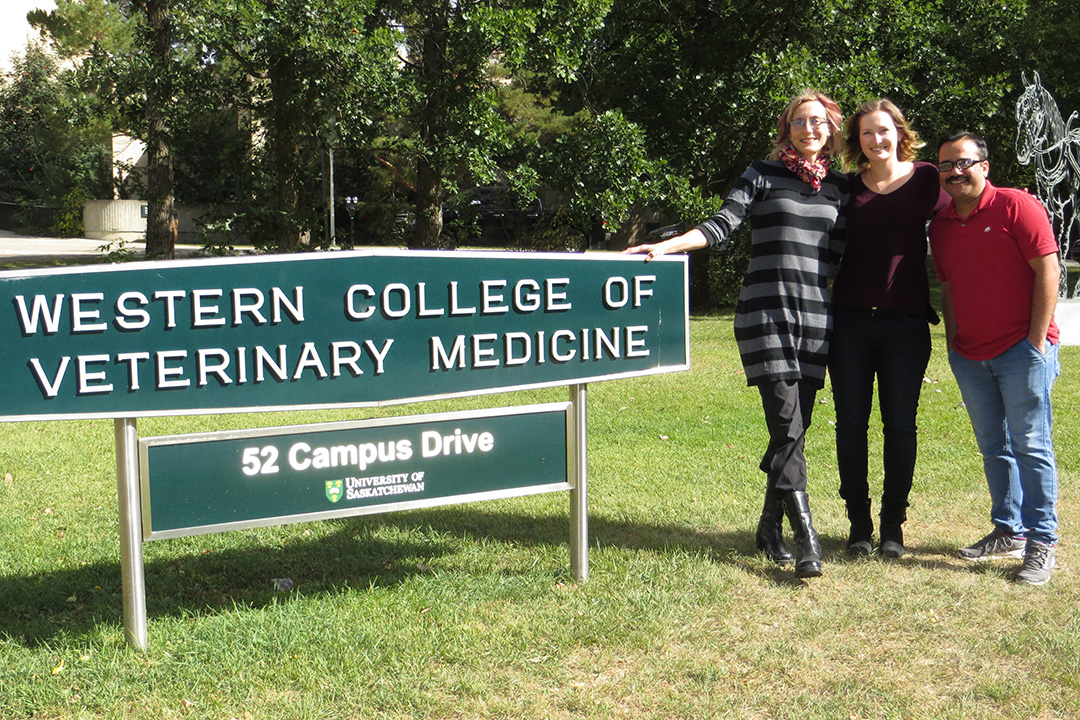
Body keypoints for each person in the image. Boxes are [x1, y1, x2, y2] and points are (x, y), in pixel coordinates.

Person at [625, 89, 849, 578]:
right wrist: (669, 248)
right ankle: (806, 537)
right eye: (797, 122)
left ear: (831, 129)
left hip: (816, 320)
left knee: (792, 431)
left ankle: (769, 527)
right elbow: (722, 224)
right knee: (788, 426)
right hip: (764, 314)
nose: (807, 129)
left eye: (816, 122)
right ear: (785, 129)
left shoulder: (844, 189)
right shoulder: (761, 174)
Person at [928, 131, 1061, 586]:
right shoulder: (941, 224)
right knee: (994, 447)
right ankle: (1009, 530)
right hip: (969, 353)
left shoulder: (1017, 206)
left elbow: (1048, 267)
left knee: (1031, 444)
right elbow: (946, 284)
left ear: (984, 165)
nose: (954, 171)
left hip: (1021, 351)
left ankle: (1042, 540)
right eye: (945, 165)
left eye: (963, 162)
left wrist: (1036, 341)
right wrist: (952, 340)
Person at [829, 99, 949, 558]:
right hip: (850, 322)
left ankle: (893, 527)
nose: (876, 140)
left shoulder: (925, 179)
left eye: (884, 131)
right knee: (851, 425)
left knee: (900, 425)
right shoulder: (844, 187)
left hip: (906, 321)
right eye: (866, 134)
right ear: (856, 142)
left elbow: (969, 202)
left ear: (900, 132)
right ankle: (858, 525)